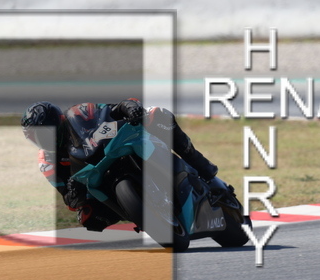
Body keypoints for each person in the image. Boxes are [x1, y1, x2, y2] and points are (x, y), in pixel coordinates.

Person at [21, 99, 218, 232]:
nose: (42, 140)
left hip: (113, 147)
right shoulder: (47, 161)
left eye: (44, 133)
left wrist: (130, 108)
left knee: (155, 114)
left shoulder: (79, 113)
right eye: (35, 138)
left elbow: (114, 108)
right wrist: (74, 193)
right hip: (95, 179)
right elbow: (70, 201)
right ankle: (142, 212)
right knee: (88, 218)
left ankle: (199, 163)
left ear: (58, 121)